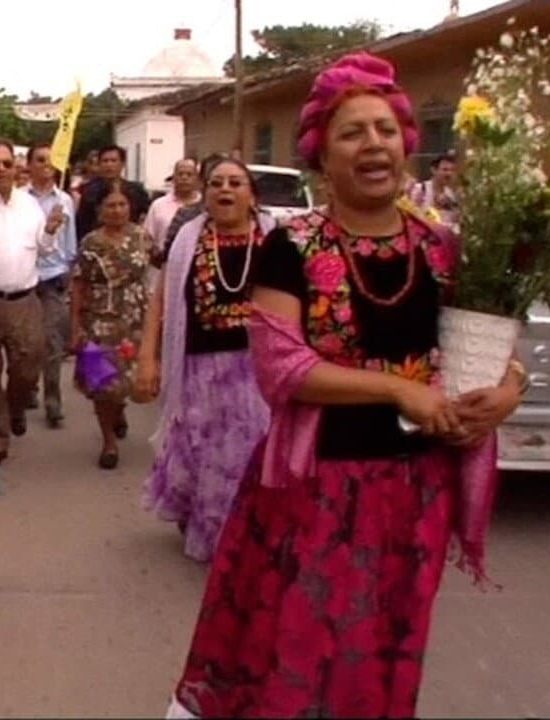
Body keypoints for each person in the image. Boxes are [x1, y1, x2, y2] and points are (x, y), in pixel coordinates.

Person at [165, 53, 522, 719]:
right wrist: (398, 392)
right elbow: (283, 369)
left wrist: (508, 392)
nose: (374, 145)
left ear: (408, 145)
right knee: (297, 652)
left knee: (383, 649)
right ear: (321, 157)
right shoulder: (291, 246)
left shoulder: (443, 247)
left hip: (415, 494)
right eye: (353, 133)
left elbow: (491, 349)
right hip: (315, 490)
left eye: (385, 130)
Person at [134, 156, 273, 562]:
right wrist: (148, 357)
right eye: (216, 183)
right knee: (206, 454)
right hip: (199, 369)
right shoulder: (188, 240)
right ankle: (211, 532)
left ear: (252, 196)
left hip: (259, 371)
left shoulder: (277, 239)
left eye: (235, 182)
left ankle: (246, 536)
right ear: (205, 194)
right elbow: (161, 300)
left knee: (248, 456)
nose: (225, 190)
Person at [0, 137, 59, 466]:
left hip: (25, 299)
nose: (2, 169)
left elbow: (45, 250)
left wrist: (49, 231)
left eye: (7, 163)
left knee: (28, 367)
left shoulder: (29, 203)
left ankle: (15, 407)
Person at [70, 182, 153, 469]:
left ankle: (119, 411)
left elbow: (161, 267)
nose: (117, 211)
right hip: (98, 321)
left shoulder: (142, 237)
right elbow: (78, 284)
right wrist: (75, 326)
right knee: (102, 385)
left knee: (128, 383)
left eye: (122, 205)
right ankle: (108, 441)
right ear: (99, 210)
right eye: (110, 206)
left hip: (135, 320)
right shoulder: (90, 243)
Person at [27, 142, 77, 428]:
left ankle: (53, 400)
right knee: (27, 344)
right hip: (26, 276)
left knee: (52, 343)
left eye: (50, 161)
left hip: (54, 276)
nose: (46, 166)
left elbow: (70, 238)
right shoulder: (21, 200)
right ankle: (27, 389)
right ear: (30, 165)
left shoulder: (65, 200)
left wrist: (70, 268)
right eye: (40, 160)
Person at [75, 144, 151, 241]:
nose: (109, 165)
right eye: (105, 161)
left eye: (113, 161)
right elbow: (81, 224)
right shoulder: (89, 191)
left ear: (122, 163)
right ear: (99, 164)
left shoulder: (136, 191)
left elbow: (146, 218)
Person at [143, 158, 201, 246]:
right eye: (180, 174)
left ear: (197, 179)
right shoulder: (158, 205)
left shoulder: (205, 205)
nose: (184, 178)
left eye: (189, 174)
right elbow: (148, 238)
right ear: (173, 177)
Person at [408, 151, 461, 227]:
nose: (448, 174)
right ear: (433, 170)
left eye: (451, 170)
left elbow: (454, 221)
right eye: (445, 169)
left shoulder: (450, 195)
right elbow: (410, 215)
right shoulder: (421, 189)